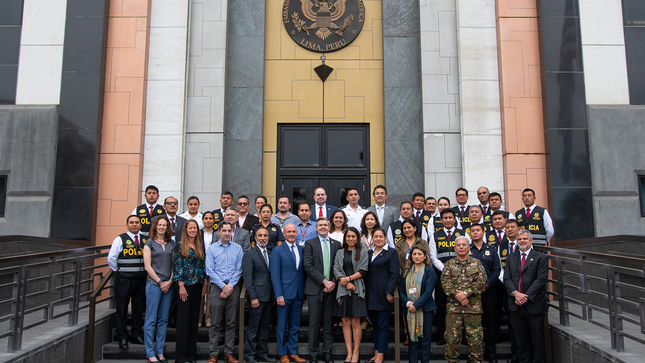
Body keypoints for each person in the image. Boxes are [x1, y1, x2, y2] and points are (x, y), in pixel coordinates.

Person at [503, 229, 548, 363]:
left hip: (534, 306)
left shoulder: (541, 257)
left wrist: (525, 296)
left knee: (538, 342)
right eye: (520, 239)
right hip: (516, 306)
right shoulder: (511, 257)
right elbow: (507, 279)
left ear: (531, 240)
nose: (522, 241)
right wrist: (516, 294)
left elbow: (541, 280)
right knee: (521, 343)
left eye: (525, 239)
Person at [441, 236, 487, 363]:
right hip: (454, 310)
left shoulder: (477, 263)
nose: (461, 247)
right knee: (451, 340)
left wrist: (466, 294)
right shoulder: (449, 265)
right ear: (455, 248)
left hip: (473, 309)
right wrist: (460, 298)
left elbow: (481, 281)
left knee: (475, 340)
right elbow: (445, 283)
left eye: (464, 245)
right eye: (458, 245)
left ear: (469, 247)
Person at [428, 208, 469, 345]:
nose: (448, 220)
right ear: (441, 220)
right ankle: (442, 335)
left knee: (461, 306)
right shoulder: (435, 235)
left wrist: (456, 270)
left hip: (462, 276)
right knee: (442, 306)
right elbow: (433, 257)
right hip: (442, 276)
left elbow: (468, 253)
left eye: (450, 217)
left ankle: (461, 336)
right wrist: (447, 269)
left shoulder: (462, 234)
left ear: (454, 219)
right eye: (445, 218)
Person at [303, 217, 340, 363]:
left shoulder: (336, 244)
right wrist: (324, 281)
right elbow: (308, 266)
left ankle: (327, 354)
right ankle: (313, 355)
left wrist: (333, 283)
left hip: (331, 289)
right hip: (314, 289)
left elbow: (339, 266)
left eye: (325, 225)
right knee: (314, 324)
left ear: (329, 227)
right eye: (320, 225)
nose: (323, 227)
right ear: (316, 228)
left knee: (329, 323)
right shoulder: (309, 244)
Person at [206, 221, 244, 363]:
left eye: (229, 231)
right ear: (219, 232)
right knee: (215, 322)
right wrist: (223, 286)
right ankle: (213, 353)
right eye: (224, 231)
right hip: (217, 287)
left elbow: (239, 269)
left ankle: (229, 353)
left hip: (233, 287)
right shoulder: (211, 249)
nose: (227, 233)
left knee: (231, 322)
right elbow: (210, 270)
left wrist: (229, 286)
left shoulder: (238, 248)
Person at [107, 215, 147, 349]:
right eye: (132, 222)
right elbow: (111, 258)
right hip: (124, 280)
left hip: (140, 280)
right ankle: (122, 337)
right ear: (127, 224)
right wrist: (120, 271)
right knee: (122, 308)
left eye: (137, 222)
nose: (134, 225)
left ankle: (136, 334)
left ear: (140, 225)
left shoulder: (145, 240)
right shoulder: (120, 239)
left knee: (138, 308)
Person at [173, 219, 208, 363]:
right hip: (185, 286)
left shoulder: (200, 245)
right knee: (183, 321)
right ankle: (181, 356)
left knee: (194, 321)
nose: (192, 230)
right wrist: (180, 285)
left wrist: (205, 282)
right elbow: (177, 266)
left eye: (195, 228)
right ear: (185, 230)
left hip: (198, 285)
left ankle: (191, 355)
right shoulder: (180, 246)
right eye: (190, 228)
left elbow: (202, 266)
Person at [270, 223, 307, 363]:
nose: (291, 234)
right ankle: (282, 353)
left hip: (298, 294)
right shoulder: (277, 250)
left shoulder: (301, 249)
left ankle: (293, 352)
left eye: (293, 231)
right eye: (288, 232)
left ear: (296, 233)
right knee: (282, 325)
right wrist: (278, 295)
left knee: (295, 325)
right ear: (284, 233)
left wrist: (302, 293)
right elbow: (274, 275)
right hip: (284, 295)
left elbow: (301, 272)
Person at [332, 227, 368, 363]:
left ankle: (356, 352)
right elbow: (336, 268)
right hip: (343, 290)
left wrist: (349, 279)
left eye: (353, 236)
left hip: (357, 289)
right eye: (348, 237)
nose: (351, 239)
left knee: (355, 322)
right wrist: (345, 282)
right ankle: (349, 352)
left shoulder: (363, 252)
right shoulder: (340, 252)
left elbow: (363, 270)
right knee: (345, 322)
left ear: (357, 238)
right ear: (345, 238)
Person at [143, 216, 176, 363]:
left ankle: (160, 351)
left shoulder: (172, 243)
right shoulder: (149, 243)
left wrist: (169, 281)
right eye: (159, 225)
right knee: (151, 319)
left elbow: (175, 265)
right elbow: (147, 266)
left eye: (164, 225)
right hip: (154, 285)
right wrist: (159, 281)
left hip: (168, 285)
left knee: (163, 320)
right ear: (155, 226)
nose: (162, 227)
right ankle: (150, 352)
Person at [394, 218, 431, 345]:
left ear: (415, 228)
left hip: (421, 279)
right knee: (408, 307)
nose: (407, 230)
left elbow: (428, 260)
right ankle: (408, 334)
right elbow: (397, 264)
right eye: (404, 228)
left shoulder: (423, 243)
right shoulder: (399, 244)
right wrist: (403, 276)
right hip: (405, 280)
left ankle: (420, 333)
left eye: (409, 227)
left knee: (420, 305)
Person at [365, 228, 399, 363]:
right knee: (375, 326)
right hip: (370, 295)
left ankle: (381, 355)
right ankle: (376, 352)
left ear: (385, 238)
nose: (378, 239)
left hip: (384, 295)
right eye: (376, 236)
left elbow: (394, 274)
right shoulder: (369, 253)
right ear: (372, 238)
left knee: (383, 326)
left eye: (381, 236)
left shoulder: (391, 253)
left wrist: (389, 292)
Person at [469, 223, 502, 363]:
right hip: (471, 293)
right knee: (473, 325)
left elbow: (496, 270)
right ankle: (474, 355)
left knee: (490, 322)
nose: (475, 233)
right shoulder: (467, 250)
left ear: (483, 232)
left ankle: (490, 353)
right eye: (473, 231)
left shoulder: (491, 250)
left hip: (488, 291)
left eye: (478, 230)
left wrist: (487, 285)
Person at [242, 226, 276, 363]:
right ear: (255, 237)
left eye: (265, 235)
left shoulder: (271, 252)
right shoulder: (249, 254)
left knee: (264, 327)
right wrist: (253, 297)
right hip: (256, 297)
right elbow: (248, 279)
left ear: (268, 238)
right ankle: (249, 355)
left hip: (269, 297)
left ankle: (262, 353)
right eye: (260, 235)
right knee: (253, 327)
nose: (263, 238)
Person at [399, 246, 437, 363]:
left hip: (425, 310)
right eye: (414, 254)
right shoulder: (406, 271)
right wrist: (409, 303)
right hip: (409, 309)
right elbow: (401, 290)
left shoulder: (429, 271)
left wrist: (416, 305)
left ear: (425, 256)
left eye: (420, 254)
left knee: (424, 341)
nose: (417, 256)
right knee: (412, 341)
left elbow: (428, 292)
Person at [200, 211, 217, 328]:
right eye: (206, 218)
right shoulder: (198, 234)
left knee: (210, 294)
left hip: (213, 266)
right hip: (200, 265)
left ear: (213, 221)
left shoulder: (216, 234)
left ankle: (208, 319)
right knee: (201, 293)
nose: (208, 220)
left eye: (210, 218)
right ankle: (198, 319)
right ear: (203, 220)